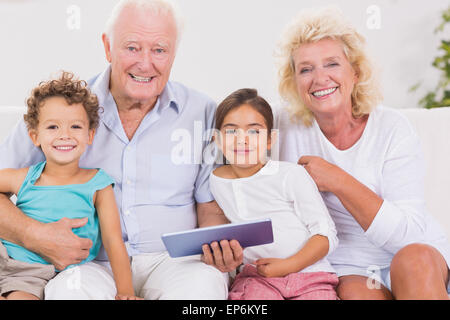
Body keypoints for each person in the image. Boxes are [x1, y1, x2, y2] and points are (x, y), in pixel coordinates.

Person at [0, 0, 228, 299]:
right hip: (89, 263)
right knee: (71, 292)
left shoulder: (202, 111)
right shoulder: (63, 111)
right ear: (108, 47)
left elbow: (210, 205)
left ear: (174, 53)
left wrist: (220, 244)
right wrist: (34, 234)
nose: (145, 63)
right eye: (132, 47)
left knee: (204, 290)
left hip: (175, 262)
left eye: (159, 49)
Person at [274, 6, 450, 299]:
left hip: (412, 253)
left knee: (413, 262)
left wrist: (338, 180)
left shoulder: (393, 128)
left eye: (331, 64)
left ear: (354, 72)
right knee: (356, 294)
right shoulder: (282, 126)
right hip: (350, 266)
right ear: (294, 82)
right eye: (306, 69)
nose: (319, 79)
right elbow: (233, 142)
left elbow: (410, 234)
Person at [0, 72, 140, 300]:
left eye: (75, 126)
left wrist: (126, 291)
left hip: (51, 272)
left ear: (90, 135)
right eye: (53, 127)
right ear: (35, 137)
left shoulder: (98, 184)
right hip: (12, 260)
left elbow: (113, 240)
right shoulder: (24, 177)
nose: (64, 135)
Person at [208, 88, 339, 300]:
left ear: (270, 140)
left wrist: (289, 265)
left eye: (254, 131)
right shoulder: (215, 181)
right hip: (257, 278)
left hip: (310, 276)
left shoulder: (290, 175)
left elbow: (326, 234)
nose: (242, 140)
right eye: (232, 131)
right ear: (218, 139)